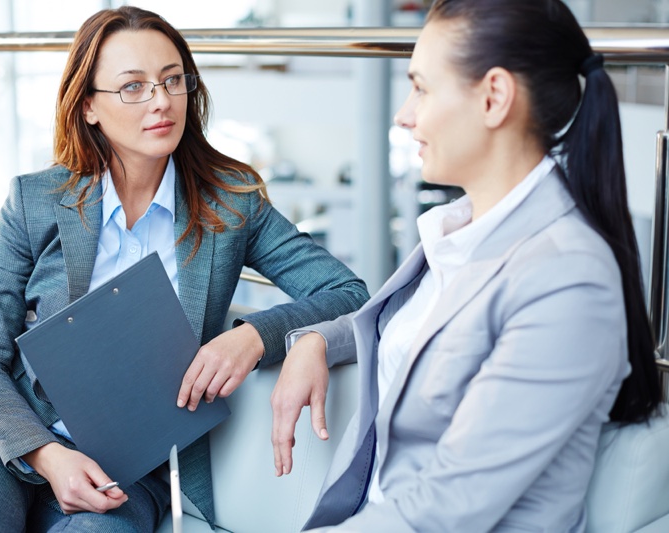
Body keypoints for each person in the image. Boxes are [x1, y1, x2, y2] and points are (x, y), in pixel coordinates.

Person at [0, 6, 368, 533]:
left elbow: (348, 291)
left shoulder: (232, 205)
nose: (161, 101)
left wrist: (256, 337)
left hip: (128, 464)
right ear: (89, 107)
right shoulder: (34, 201)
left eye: (173, 80)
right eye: (133, 87)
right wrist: (49, 456)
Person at [270, 0, 663, 531]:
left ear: (494, 97)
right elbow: (412, 330)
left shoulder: (569, 277)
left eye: (422, 87)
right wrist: (318, 340)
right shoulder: (460, 229)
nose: (404, 113)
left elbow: (448, 505)